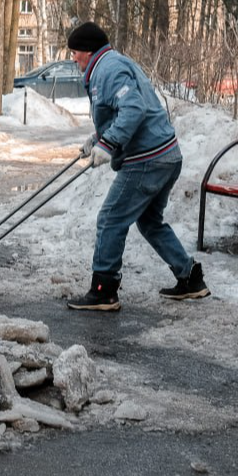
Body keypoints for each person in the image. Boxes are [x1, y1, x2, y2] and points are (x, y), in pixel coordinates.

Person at [65, 21, 209, 311]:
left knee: (110, 218)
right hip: (166, 155)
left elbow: (133, 109)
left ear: (88, 50)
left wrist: (109, 144)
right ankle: (190, 277)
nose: (73, 57)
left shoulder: (109, 69)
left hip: (148, 159)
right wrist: (97, 139)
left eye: (75, 51)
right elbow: (121, 110)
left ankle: (104, 289)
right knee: (149, 221)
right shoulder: (110, 64)